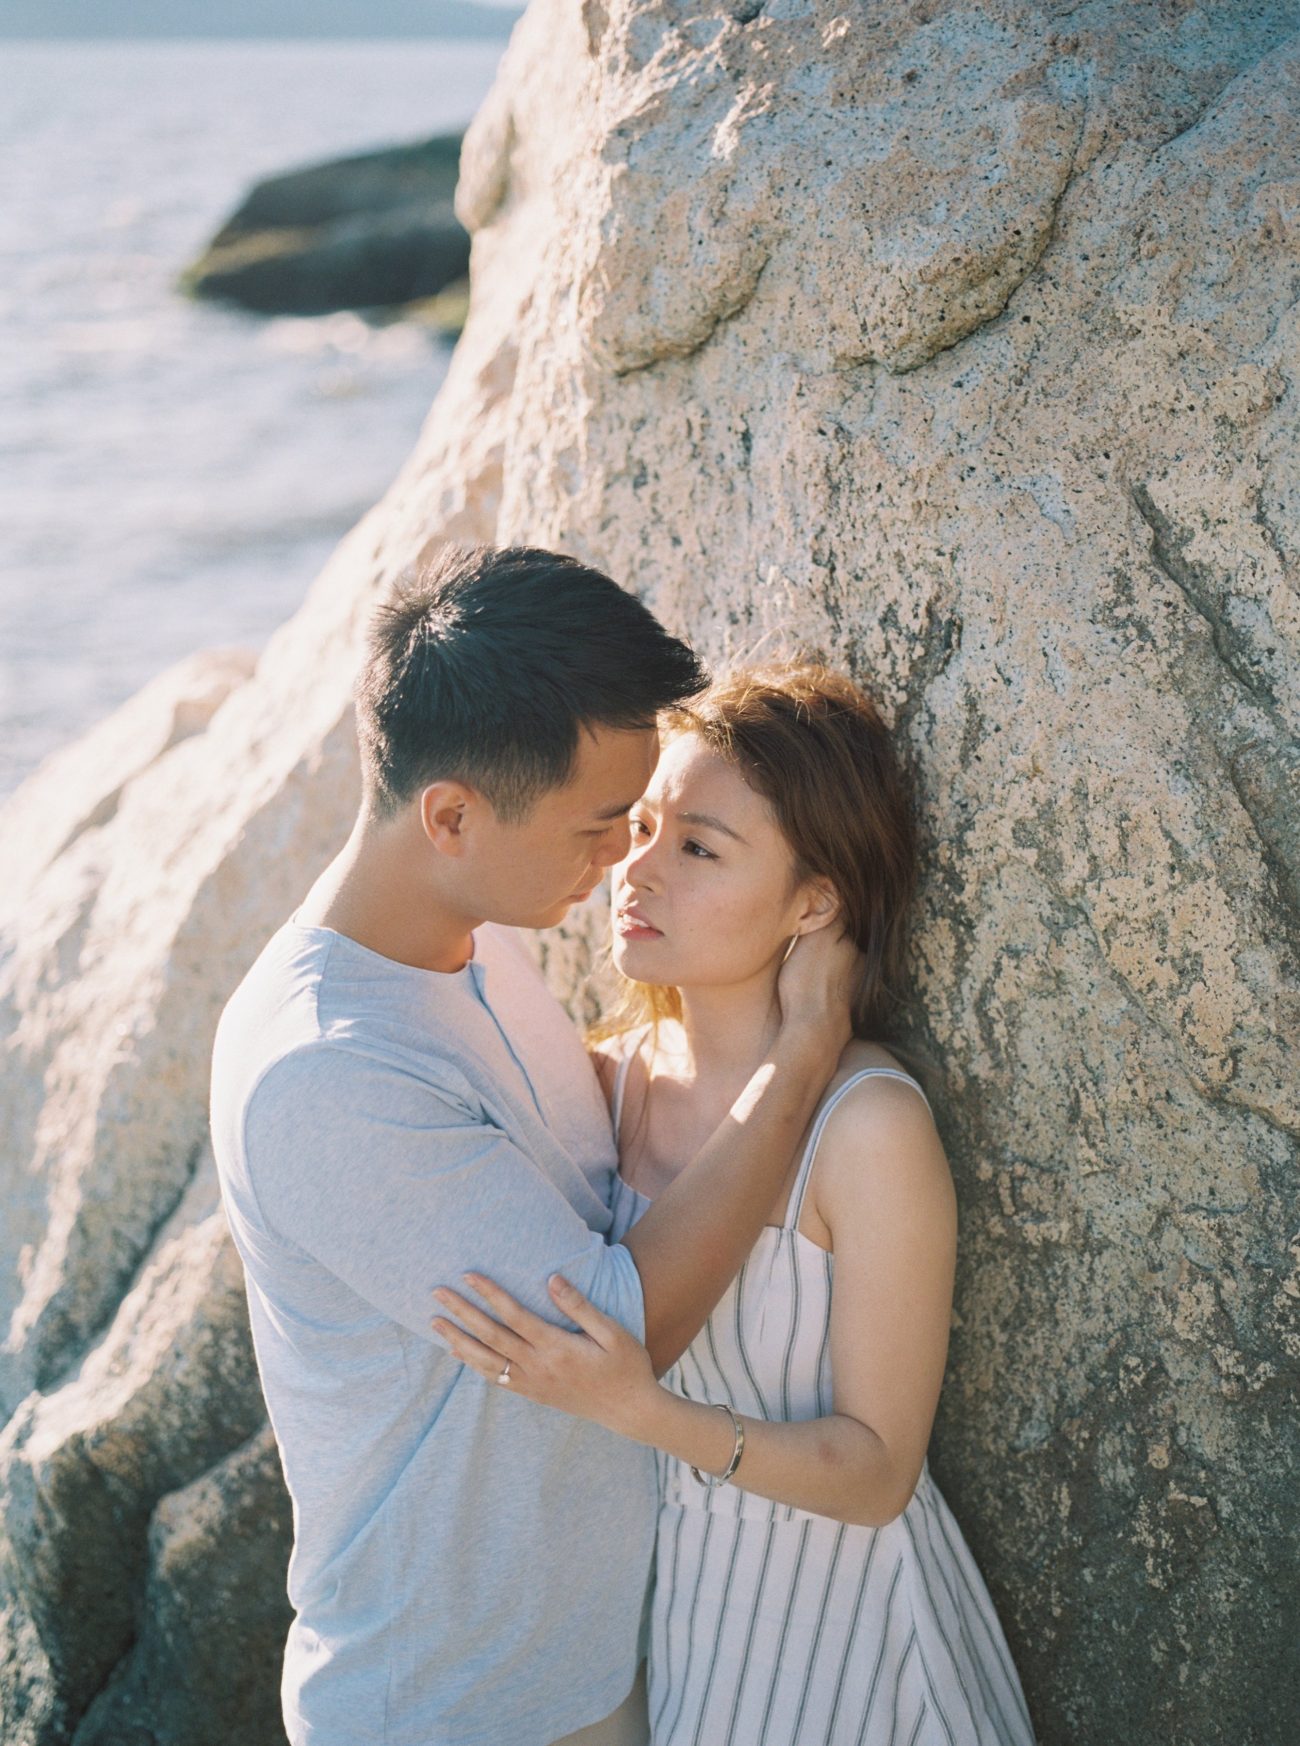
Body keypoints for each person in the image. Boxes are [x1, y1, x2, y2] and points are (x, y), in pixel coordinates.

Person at [209, 547, 862, 1746]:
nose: (622, 858)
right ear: (451, 815)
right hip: (448, 1702)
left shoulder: (472, 940)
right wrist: (807, 1052)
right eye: (599, 825)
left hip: (572, 1666)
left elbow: (583, 1172)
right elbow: (619, 1330)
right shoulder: (327, 1074)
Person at [432, 661, 1038, 1746]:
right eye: (644, 823)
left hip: (852, 1649)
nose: (637, 869)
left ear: (814, 902)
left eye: (698, 847)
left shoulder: (867, 1129)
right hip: (674, 1639)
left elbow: (878, 1474)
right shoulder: (597, 1086)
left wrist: (640, 1411)